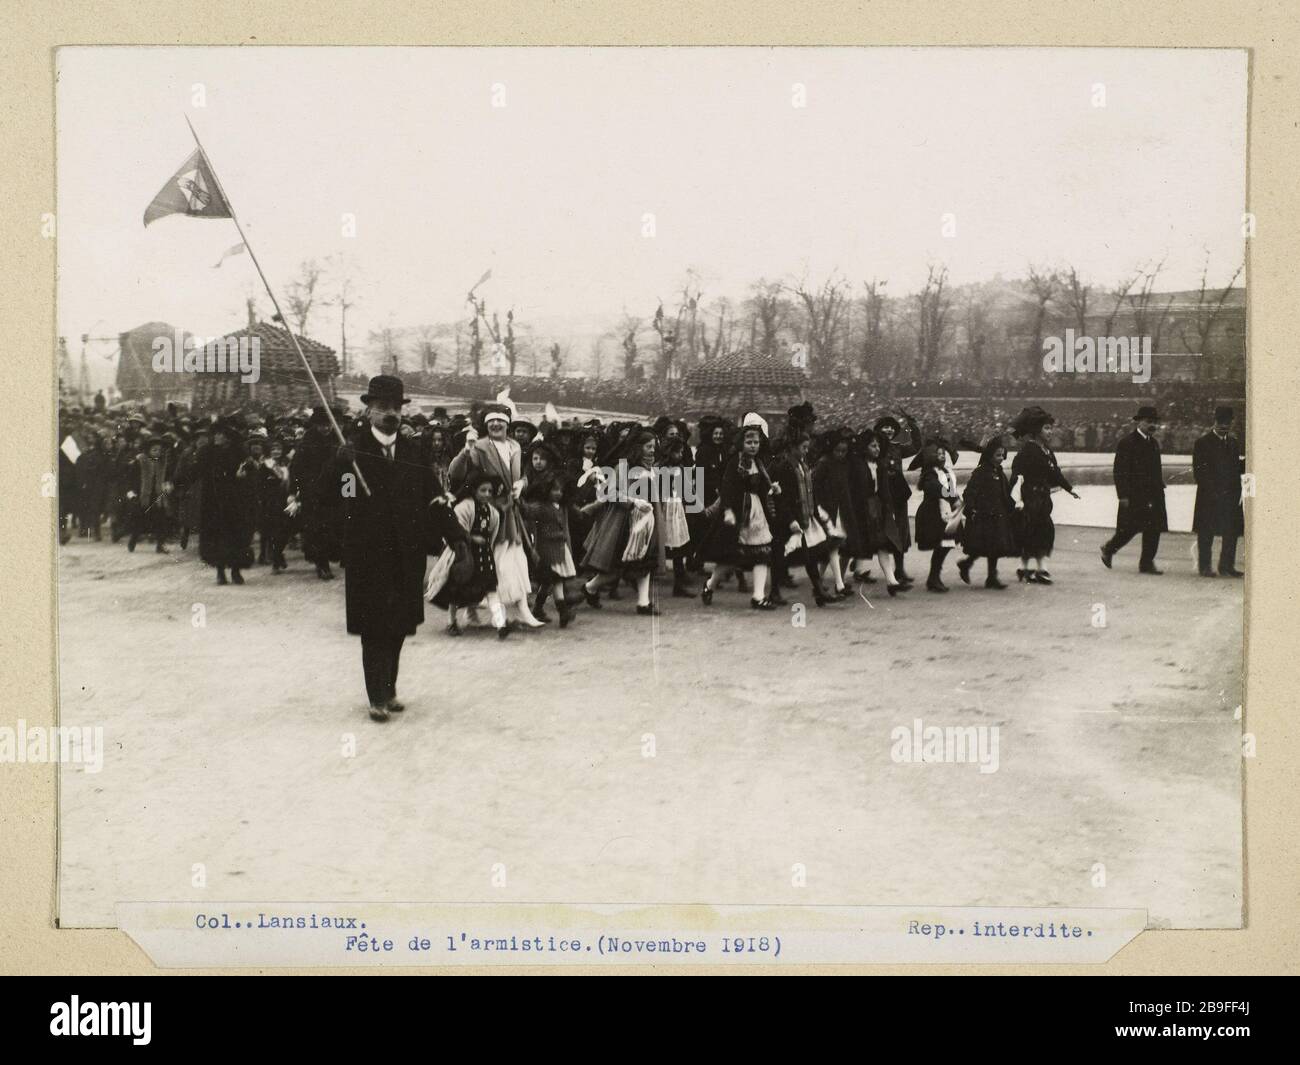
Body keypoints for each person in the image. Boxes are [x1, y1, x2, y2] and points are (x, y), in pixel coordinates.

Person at [321, 375, 438, 722]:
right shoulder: (352, 450)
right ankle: (376, 697)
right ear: (369, 411)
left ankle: (390, 689)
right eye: (383, 408)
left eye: (396, 408)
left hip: (405, 554)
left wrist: (452, 535)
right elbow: (338, 498)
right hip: (369, 555)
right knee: (374, 630)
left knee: (399, 626)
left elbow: (430, 495)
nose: (391, 414)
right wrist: (341, 466)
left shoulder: (413, 452)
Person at [448, 404, 545, 627]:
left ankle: (521, 610)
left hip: (511, 511)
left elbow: (521, 476)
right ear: (486, 424)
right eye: (491, 421)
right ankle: (483, 611)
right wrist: (465, 450)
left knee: (514, 558)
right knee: (488, 561)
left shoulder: (515, 446)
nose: (496, 424)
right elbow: (456, 473)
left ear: (507, 424)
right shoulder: (479, 446)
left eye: (500, 420)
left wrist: (522, 483)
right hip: (487, 511)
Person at [699, 414, 780, 609]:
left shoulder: (759, 463)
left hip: (756, 514)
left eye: (756, 442)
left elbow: (761, 487)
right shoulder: (735, 462)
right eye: (749, 442)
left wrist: (772, 488)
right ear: (742, 443)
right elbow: (727, 488)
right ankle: (710, 584)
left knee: (763, 553)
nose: (753, 445)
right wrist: (727, 510)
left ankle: (758, 596)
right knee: (730, 558)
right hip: (737, 513)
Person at [428, 468, 510, 638]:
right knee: (456, 590)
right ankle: (451, 622)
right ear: (474, 490)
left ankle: (501, 624)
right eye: (483, 490)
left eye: (490, 491)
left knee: (491, 588)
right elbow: (456, 530)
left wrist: (488, 546)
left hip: (484, 557)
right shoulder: (465, 507)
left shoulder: (493, 512)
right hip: (465, 555)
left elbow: (493, 534)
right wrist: (472, 538)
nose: (487, 494)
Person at [1009, 406, 1080, 584]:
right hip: (1029, 497)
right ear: (1036, 430)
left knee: (1043, 531)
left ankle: (1035, 569)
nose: (1050, 432)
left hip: (1042, 498)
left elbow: (1055, 473)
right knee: (1032, 531)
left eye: (1050, 428)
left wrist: (1069, 488)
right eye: (1046, 428)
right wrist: (1015, 495)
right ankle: (1029, 568)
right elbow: (1017, 472)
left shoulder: (1047, 451)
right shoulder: (1028, 450)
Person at [1101, 405, 1168, 574]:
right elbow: (1120, 471)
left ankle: (1146, 563)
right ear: (1139, 422)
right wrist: (1123, 495)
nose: (1152, 425)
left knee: (1154, 529)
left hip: (1153, 494)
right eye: (1148, 422)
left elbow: (1155, 468)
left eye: (1154, 422)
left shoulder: (1153, 443)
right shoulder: (1127, 442)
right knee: (1129, 528)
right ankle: (1109, 548)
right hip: (1134, 494)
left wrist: (1160, 482)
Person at [771, 429, 832, 606]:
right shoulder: (784, 467)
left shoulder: (802, 465)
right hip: (788, 520)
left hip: (803, 517)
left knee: (809, 554)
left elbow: (810, 492)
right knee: (780, 556)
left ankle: (818, 590)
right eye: (804, 447)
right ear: (792, 448)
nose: (806, 451)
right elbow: (782, 498)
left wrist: (816, 513)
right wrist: (790, 520)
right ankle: (775, 591)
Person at [290, 409, 344, 580]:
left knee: (334, 528)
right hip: (313, 494)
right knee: (317, 530)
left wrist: (349, 491)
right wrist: (296, 491)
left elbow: (348, 470)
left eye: (328, 424)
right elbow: (295, 470)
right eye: (322, 425)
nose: (326, 428)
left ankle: (330, 558)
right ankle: (322, 564)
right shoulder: (307, 444)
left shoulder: (339, 442)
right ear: (315, 425)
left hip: (335, 493)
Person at [1192, 406, 1245, 578]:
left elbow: (1235, 468)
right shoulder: (1202, 442)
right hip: (1210, 496)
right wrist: (1213, 491)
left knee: (1232, 532)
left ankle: (1226, 566)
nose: (1224, 426)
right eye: (1221, 423)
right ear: (1214, 422)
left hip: (1230, 495)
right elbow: (1199, 472)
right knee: (1206, 533)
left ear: (1232, 423)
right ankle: (1205, 567)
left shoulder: (1233, 442)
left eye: (1227, 423)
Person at [957, 438, 1016, 590]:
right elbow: (969, 492)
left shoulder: (999, 472)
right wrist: (971, 509)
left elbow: (1005, 492)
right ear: (990, 455)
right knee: (983, 545)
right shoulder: (981, 471)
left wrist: (1013, 505)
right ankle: (968, 564)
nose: (1001, 458)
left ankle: (990, 577)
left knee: (995, 547)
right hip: (984, 515)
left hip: (998, 514)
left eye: (1003, 455)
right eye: (998, 455)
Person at [914, 439, 961, 592]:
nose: (941, 456)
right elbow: (935, 488)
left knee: (946, 544)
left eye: (943, 454)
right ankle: (933, 578)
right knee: (942, 544)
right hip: (933, 512)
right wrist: (952, 498)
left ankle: (934, 577)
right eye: (938, 454)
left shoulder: (946, 471)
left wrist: (957, 499)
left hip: (946, 511)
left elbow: (950, 487)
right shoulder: (929, 473)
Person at [127, 435, 174, 553]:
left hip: (157, 495)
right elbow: (131, 479)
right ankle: (133, 539)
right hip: (142, 495)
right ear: (148, 450)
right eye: (154, 450)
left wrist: (168, 485)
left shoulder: (163, 462)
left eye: (159, 450)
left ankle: (160, 544)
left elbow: (168, 477)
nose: (157, 453)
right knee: (139, 520)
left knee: (161, 520)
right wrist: (131, 493)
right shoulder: (140, 461)